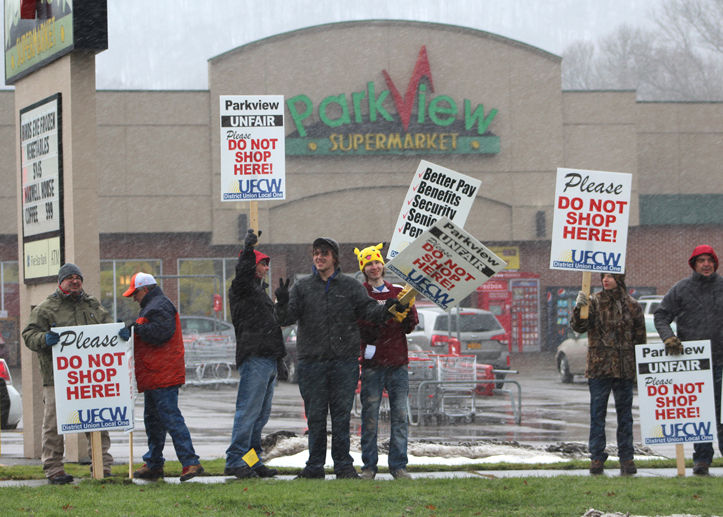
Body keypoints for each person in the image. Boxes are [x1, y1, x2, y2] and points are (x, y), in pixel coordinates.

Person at [275, 236, 406, 479]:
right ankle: (314, 467)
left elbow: (371, 312)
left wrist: (388, 307)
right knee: (315, 416)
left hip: (343, 363)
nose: (319, 257)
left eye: (324, 253)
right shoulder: (302, 288)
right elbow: (285, 319)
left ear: (334, 257)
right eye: (316, 253)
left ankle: (343, 466)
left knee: (341, 416)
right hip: (311, 362)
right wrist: (282, 302)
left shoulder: (351, 287)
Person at [22, 263, 116, 484]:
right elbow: (28, 335)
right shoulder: (46, 308)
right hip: (57, 378)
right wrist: (44, 339)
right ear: (60, 282)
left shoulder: (92, 304)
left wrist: (118, 333)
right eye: (70, 278)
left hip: (90, 378)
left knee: (97, 421)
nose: (75, 281)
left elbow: (108, 328)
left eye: (78, 277)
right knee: (54, 424)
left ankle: (102, 467)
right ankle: (54, 469)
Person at [123, 272, 204, 482]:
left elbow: (161, 333)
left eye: (135, 293)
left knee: (169, 419)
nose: (133, 298)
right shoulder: (156, 305)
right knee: (154, 421)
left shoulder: (158, 306)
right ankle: (154, 463)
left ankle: (190, 462)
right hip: (156, 374)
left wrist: (136, 329)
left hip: (162, 374)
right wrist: (136, 328)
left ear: (145, 290)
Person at [654, 244, 723, 476]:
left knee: (722, 414)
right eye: (701, 260)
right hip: (694, 363)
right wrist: (669, 338)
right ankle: (702, 460)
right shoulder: (681, 289)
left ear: (715, 263)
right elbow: (661, 315)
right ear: (693, 264)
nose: (706, 264)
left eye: (709, 260)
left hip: (722, 361)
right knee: (699, 413)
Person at [224, 229, 287, 479]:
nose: (266, 268)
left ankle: (251, 459)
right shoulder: (241, 288)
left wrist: (282, 303)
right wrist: (248, 250)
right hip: (255, 356)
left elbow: (274, 323)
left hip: (268, 358)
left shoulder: (258, 293)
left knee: (259, 415)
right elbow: (242, 274)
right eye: (263, 264)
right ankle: (235, 460)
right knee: (248, 412)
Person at [571, 273, 646, 476]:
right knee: (597, 414)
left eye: (611, 276)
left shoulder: (632, 305)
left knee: (625, 416)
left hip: (624, 368)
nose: (606, 280)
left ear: (620, 279)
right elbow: (579, 327)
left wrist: (640, 367)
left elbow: (640, 338)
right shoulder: (594, 301)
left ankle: (627, 457)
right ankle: (596, 457)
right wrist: (579, 309)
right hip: (599, 367)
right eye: (604, 276)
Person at [354, 243, 418, 480]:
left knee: (399, 416)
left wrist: (406, 311)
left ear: (383, 264)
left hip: (398, 363)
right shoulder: (359, 293)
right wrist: (383, 316)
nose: (374, 267)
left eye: (377, 262)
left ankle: (399, 466)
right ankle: (369, 467)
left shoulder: (399, 290)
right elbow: (359, 324)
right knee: (369, 417)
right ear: (363, 267)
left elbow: (410, 326)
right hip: (372, 365)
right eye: (368, 263)